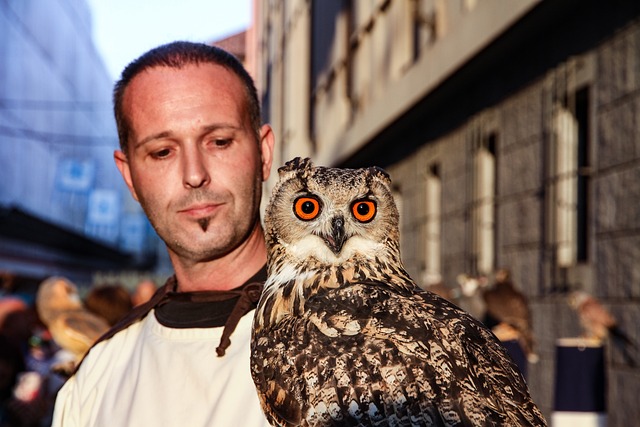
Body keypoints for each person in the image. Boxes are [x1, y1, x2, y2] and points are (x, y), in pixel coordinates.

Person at [51, 41, 275, 426]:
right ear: (130, 177)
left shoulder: (367, 345)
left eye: (219, 141)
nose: (194, 173)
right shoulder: (96, 378)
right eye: (162, 152)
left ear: (264, 154)